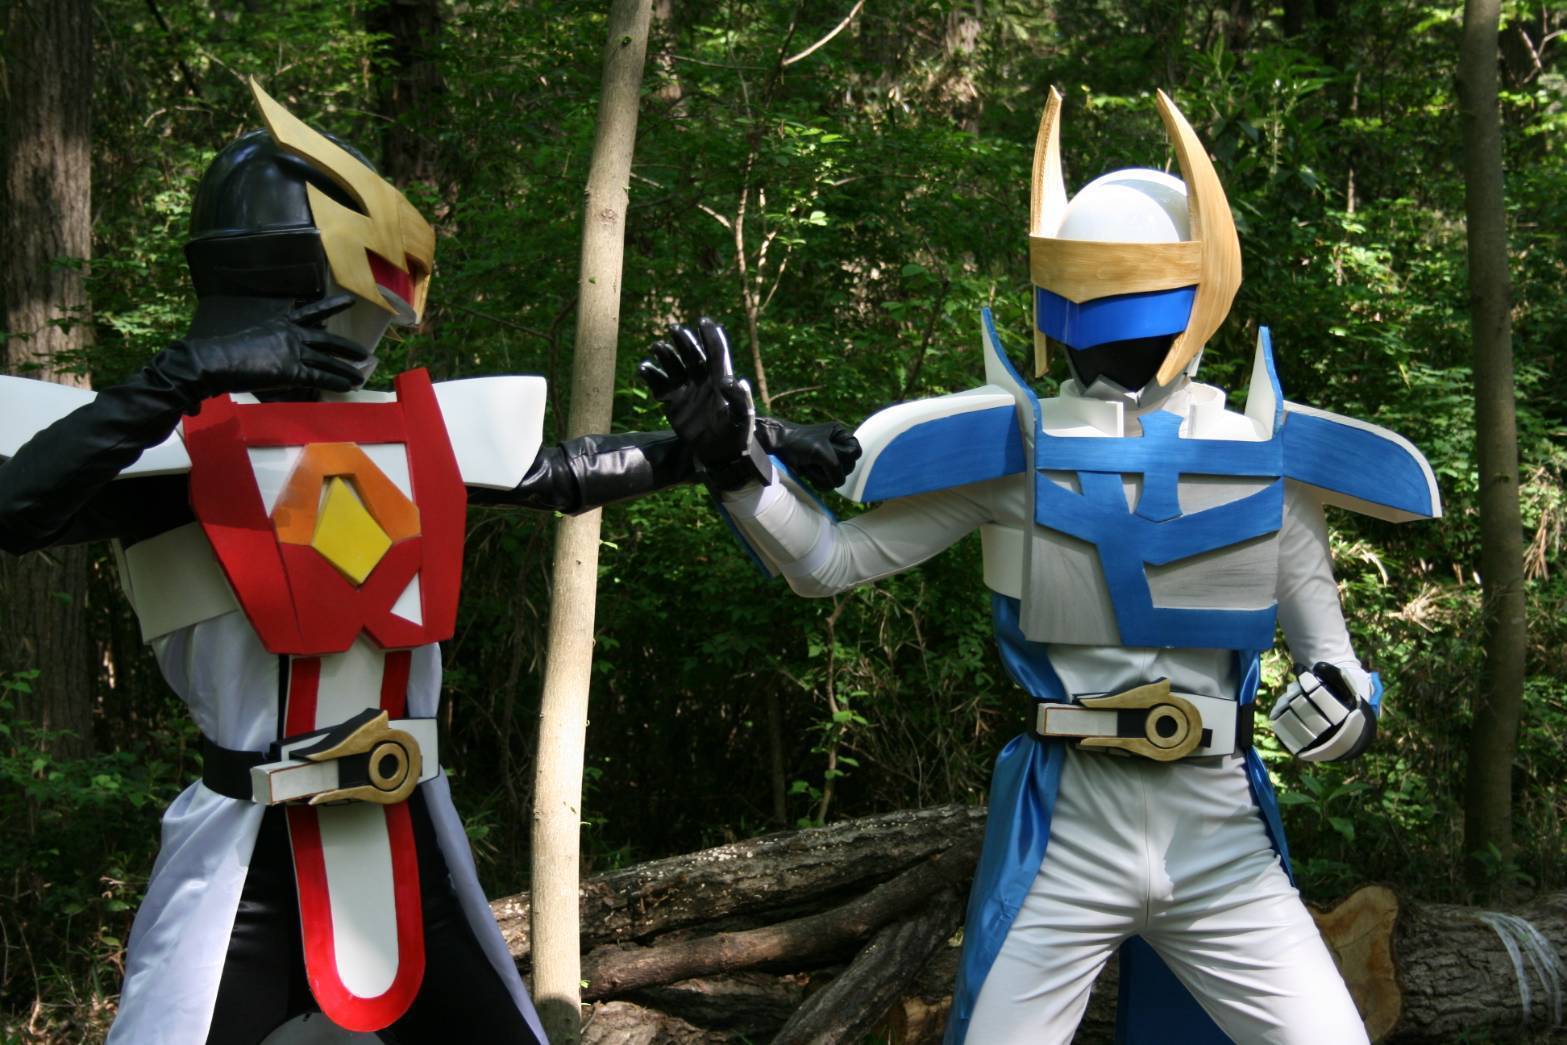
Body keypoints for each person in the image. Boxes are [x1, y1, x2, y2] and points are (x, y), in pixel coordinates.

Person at [0, 80, 856, 1045]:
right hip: (244, 865)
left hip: (408, 842)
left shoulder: (404, 438)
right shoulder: (168, 450)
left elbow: (559, 472)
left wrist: (739, 442)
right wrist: (180, 376)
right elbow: (14, 506)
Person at [639, 87, 1440, 1044]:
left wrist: (1342, 711)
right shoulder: (1013, 448)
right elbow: (829, 561)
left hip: (1219, 841)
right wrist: (737, 470)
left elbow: (1335, 668)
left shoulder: (1267, 458)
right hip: (1068, 833)